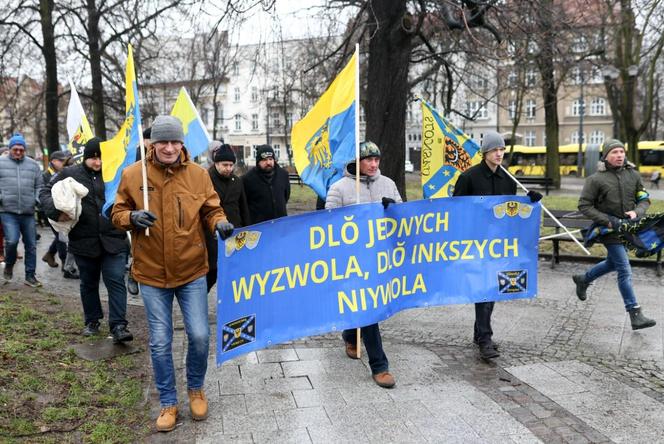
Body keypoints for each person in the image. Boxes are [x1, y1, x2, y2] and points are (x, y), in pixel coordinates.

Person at [111, 115, 233, 432]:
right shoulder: (132, 173)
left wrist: (218, 222)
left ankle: (195, 388)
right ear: (152, 144)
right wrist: (131, 217)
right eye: (162, 142)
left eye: (174, 141)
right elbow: (117, 212)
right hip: (151, 273)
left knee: (200, 334)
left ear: (182, 143)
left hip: (192, 269)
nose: (168, 148)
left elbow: (211, 208)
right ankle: (168, 402)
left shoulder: (197, 175)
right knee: (161, 342)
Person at [452, 131, 542, 360]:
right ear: (485, 153)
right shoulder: (469, 177)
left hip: (498, 245)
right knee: (484, 288)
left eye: (502, 150)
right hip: (475, 243)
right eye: (495, 150)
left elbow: (511, 210)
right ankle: (485, 339)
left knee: (490, 288)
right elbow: (457, 209)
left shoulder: (508, 179)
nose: (499, 154)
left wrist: (529, 200)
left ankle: (479, 333)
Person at [325, 141, 402, 388]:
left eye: (377, 160)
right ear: (358, 161)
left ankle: (350, 334)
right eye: (368, 160)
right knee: (368, 307)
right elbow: (328, 225)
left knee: (364, 304)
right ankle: (380, 366)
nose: (373, 164)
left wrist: (394, 210)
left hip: (380, 259)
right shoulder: (339, 188)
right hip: (352, 260)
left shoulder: (388, 184)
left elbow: (404, 216)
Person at [41, 138, 133, 340]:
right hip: (84, 239)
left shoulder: (115, 174)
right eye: (93, 158)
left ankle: (118, 326)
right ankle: (92, 321)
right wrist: (56, 212)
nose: (97, 162)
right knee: (88, 283)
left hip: (113, 239)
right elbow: (45, 192)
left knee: (116, 281)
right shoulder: (70, 173)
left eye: (100, 157)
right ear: (86, 157)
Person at [573, 139, 656, 330]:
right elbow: (584, 205)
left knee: (612, 263)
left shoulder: (633, 175)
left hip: (629, 229)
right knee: (624, 270)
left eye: (621, 152)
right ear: (606, 156)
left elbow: (644, 200)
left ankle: (583, 279)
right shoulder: (595, 179)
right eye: (614, 152)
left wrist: (638, 212)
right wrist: (609, 221)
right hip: (609, 230)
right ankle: (635, 313)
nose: (619, 155)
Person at [205, 141, 250, 292]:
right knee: (211, 274)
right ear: (216, 164)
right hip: (211, 235)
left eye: (231, 165)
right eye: (225, 165)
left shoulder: (237, 181)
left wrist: (246, 229)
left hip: (234, 233)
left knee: (232, 277)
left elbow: (243, 207)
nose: (228, 168)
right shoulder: (206, 179)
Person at [0, 133, 43, 287]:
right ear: (10, 149)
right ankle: (9, 264)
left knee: (31, 244)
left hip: (28, 211)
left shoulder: (33, 165)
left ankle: (30, 276)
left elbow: (40, 186)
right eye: (15, 149)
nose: (18, 152)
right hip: (7, 211)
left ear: (24, 150)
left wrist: (36, 200)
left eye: (21, 149)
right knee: (11, 241)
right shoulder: (1, 163)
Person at [242, 144, 290, 224]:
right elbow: (244, 204)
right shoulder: (247, 179)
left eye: (270, 159)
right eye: (264, 160)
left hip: (280, 224)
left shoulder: (283, 175)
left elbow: (285, 196)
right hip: (259, 227)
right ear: (258, 161)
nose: (268, 162)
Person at [41, 150, 71, 271]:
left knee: (61, 234)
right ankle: (64, 262)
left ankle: (50, 254)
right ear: (53, 161)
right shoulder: (45, 175)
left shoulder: (64, 173)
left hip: (62, 208)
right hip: (51, 211)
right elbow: (44, 193)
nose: (64, 163)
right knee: (61, 236)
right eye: (61, 161)